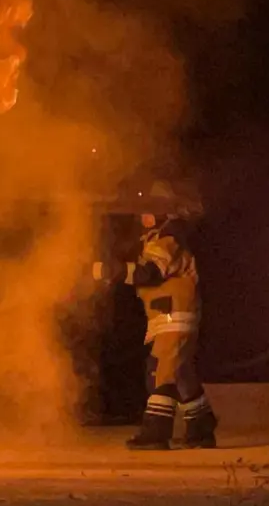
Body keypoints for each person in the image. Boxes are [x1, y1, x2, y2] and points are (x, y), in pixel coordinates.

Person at [93, 181, 217, 450]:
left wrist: (111, 271)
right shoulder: (159, 239)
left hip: (175, 316)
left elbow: (149, 273)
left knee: (160, 371)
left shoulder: (168, 240)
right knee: (181, 373)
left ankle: (156, 432)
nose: (141, 216)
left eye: (147, 211)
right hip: (169, 316)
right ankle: (201, 428)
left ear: (163, 213)